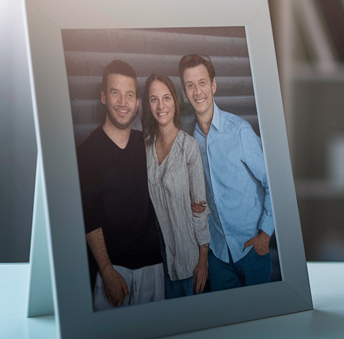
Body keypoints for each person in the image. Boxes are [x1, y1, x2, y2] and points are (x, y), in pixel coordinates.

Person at [179, 53, 275, 290]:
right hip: (218, 255)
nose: (197, 91)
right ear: (184, 91)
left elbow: (271, 182)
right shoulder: (190, 142)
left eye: (202, 83)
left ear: (213, 85)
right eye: (190, 85)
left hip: (252, 249)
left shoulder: (240, 131)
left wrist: (266, 233)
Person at [78, 60, 165, 310]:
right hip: (113, 270)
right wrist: (107, 271)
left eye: (130, 95)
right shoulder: (86, 153)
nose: (123, 103)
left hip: (153, 267)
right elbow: (90, 216)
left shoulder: (147, 144)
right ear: (104, 97)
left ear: (138, 102)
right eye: (116, 93)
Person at [142, 74, 211, 298]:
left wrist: (202, 261)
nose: (161, 105)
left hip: (191, 265)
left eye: (166, 98)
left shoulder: (188, 147)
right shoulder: (145, 148)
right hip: (160, 266)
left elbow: (200, 208)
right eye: (154, 99)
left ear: (175, 101)